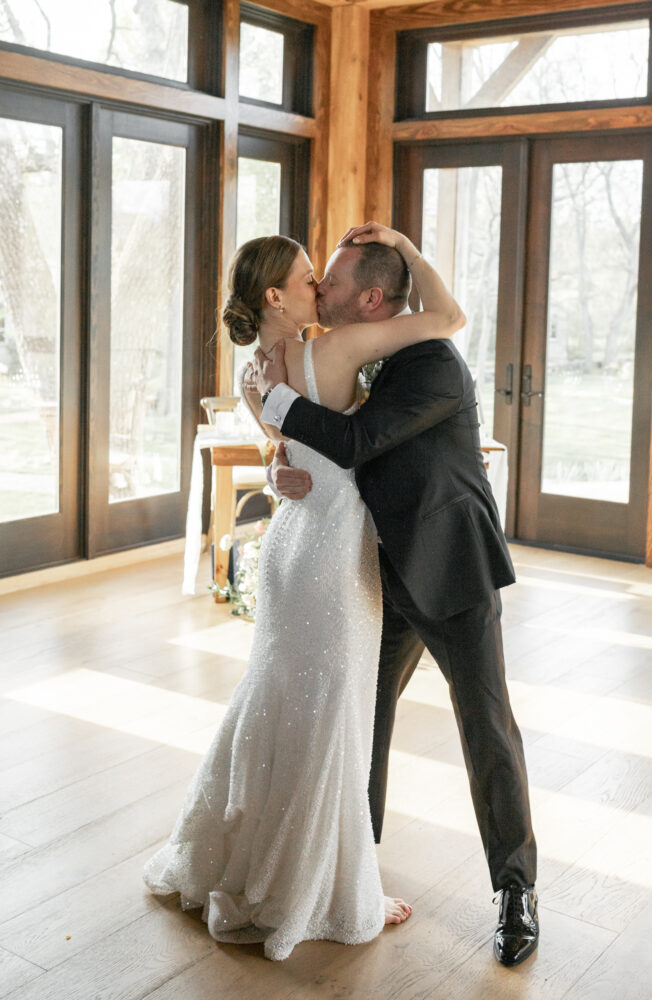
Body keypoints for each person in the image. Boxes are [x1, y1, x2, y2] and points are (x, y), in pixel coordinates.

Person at [143, 227, 465, 961]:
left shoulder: (256, 372)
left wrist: (273, 473)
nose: (321, 287)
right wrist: (407, 250)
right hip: (331, 554)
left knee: (281, 697)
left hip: (289, 546)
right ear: (276, 295)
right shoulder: (339, 349)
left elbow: (285, 458)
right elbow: (446, 319)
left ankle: (247, 860)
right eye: (308, 276)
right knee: (333, 712)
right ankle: (324, 886)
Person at [253, 221, 539, 968]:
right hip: (370, 573)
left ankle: (515, 891)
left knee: (486, 729)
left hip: (448, 571)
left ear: (373, 299)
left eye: (335, 280)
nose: (322, 289)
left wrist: (273, 399)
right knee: (360, 717)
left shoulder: (434, 366)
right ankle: (353, 870)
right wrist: (277, 472)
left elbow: (355, 442)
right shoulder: (349, 353)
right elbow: (319, 459)